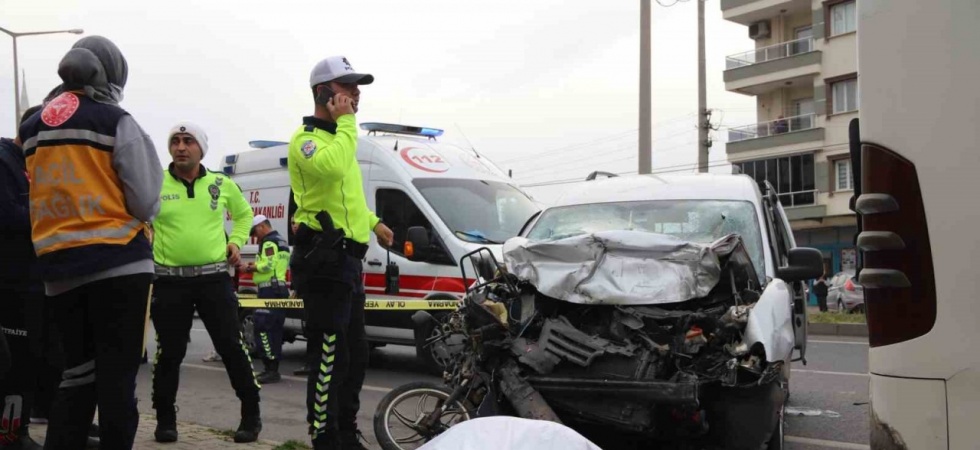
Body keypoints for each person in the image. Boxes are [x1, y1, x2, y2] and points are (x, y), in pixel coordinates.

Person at [18, 35, 163, 450]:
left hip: (59, 272)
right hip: (120, 266)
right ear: (113, 72)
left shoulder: (31, 128)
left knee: (76, 376)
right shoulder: (115, 120)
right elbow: (147, 199)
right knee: (117, 378)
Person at [287, 55, 393, 450]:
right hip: (322, 262)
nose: (356, 93)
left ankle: (347, 432)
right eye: (347, 87)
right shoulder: (307, 141)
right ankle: (324, 437)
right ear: (323, 93)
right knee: (329, 357)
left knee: (355, 357)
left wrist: (374, 221)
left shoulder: (342, 141)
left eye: (356, 87)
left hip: (349, 263)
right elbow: (330, 171)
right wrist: (347, 123)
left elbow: (346, 199)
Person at [149, 121, 262, 444]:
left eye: (188, 141)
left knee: (232, 347)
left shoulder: (221, 183)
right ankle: (165, 420)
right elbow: (138, 216)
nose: (181, 147)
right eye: (175, 141)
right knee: (168, 353)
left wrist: (237, 242)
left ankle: (251, 416)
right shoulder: (155, 182)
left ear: (201, 148)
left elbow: (244, 216)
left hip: (214, 280)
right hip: (170, 282)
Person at [0, 105, 44, 450]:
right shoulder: (4, 161)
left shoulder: (35, 166)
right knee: (12, 364)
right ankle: (11, 434)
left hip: (36, 281)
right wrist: (52, 212)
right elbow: (10, 216)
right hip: (10, 283)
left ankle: (21, 428)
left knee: (32, 361)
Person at [239, 215, 291, 384]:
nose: (255, 236)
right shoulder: (282, 241)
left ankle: (270, 369)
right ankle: (272, 368)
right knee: (274, 330)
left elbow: (267, 265)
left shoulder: (269, 242)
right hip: (279, 289)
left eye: (255, 232)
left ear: (262, 226)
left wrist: (249, 267)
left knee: (263, 328)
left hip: (270, 290)